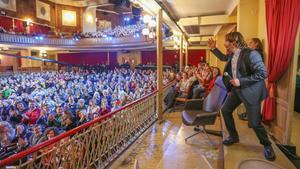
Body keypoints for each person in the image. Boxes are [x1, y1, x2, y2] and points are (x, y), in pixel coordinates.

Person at [207, 32, 276, 161]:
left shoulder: (251, 54)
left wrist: (241, 81)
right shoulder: (231, 54)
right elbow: (223, 57)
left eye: (226, 41)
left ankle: (267, 145)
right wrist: (213, 48)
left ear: (234, 42)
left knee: (255, 123)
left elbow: (262, 73)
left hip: (251, 92)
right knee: (225, 110)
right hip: (236, 91)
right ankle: (233, 136)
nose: (224, 43)